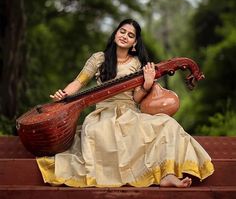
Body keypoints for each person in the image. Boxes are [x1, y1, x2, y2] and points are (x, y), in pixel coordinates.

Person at [37, 18, 214, 188]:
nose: (125, 36)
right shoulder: (99, 58)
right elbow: (79, 82)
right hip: (103, 114)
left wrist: (146, 84)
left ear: (134, 43)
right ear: (115, 34)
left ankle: (167, 174)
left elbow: (136, 98)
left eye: (130, 35)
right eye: (122, 31)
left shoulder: (138, 63)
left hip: (129, 113)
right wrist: (64, 94)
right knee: (100, 132)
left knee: (167, 124)